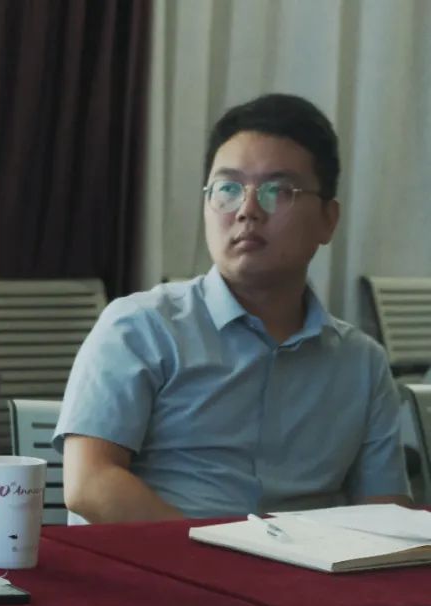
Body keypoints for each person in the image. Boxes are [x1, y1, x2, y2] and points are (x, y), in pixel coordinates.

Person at [54, 93, 412, 523]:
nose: (247, 211)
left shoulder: (362, 364)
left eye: (278, 191)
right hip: (164, 557)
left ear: (327, 220)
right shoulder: (141, 327)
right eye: (228, 189)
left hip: (308, 562)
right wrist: (213, 553)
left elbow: (385, 513)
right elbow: (90, 482)